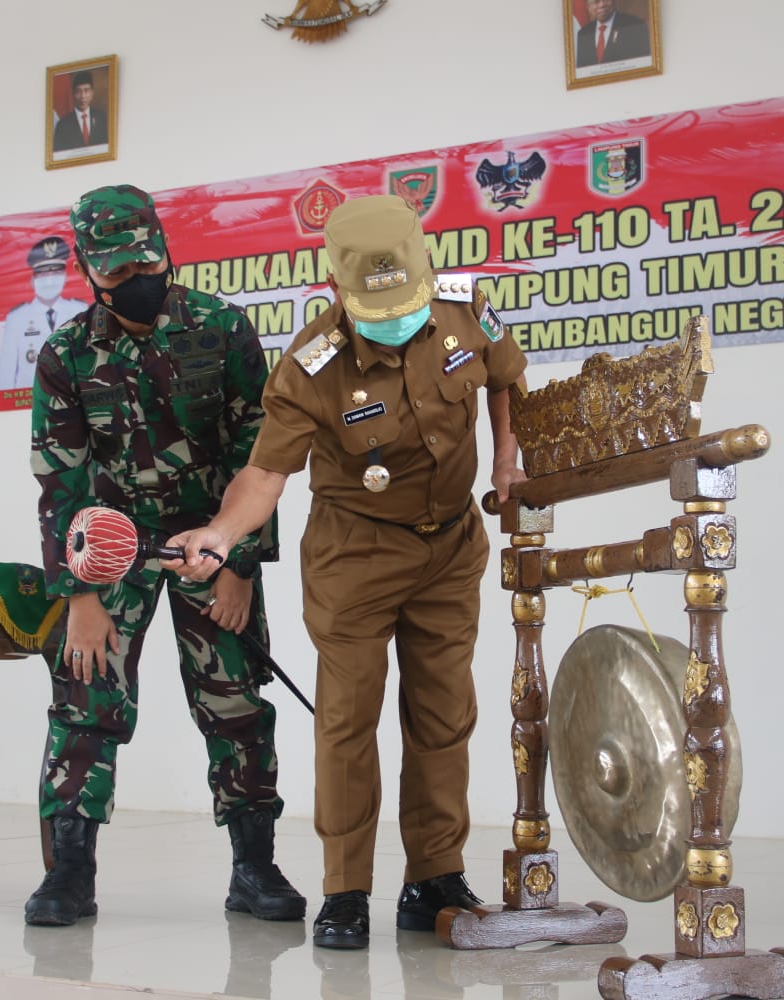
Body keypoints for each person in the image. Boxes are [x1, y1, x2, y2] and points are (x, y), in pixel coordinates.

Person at [166, 195, 529, 950]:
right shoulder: (313, 364)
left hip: (450, 548)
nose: (397, 320)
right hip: (355, 556)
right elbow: (266, 474)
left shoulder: (465, 309)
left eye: (406, 303)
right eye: (377, 310)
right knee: (347, 722)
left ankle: (434, 877)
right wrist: (220, 535)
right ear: (336, 289)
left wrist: (506, 460)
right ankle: (346, 889)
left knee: (444, 715)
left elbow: (505, 379)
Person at [24, 183, 305, 928]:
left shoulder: (221, 327)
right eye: (116, 272)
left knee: (236, 702)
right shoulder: (65, 354)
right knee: (85, 701)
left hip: (211, 542)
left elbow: (258, 452)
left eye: (146, 263)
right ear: (88, 269)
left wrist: (241, 563)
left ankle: (254, 867)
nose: (136, 281)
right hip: (110, 550)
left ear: (165, 249)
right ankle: (70, 872)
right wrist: (81, 596)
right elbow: (62, 483)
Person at [0, 236, 87, 391]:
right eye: (43, 273)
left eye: (56, 272)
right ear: (33, 279)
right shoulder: (17, 318)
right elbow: (6, 374)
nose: (50, 280)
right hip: (31, 400)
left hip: (76, 396)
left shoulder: (80, 310)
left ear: (65, 277)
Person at [575, 0, 651, 68]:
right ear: (588, 6)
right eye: (596, 1)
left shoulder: (635, 26)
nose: (602, 4)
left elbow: (643, 65)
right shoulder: (583, 34)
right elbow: (582, 70)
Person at [52, 70, 107, 152]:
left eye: (86, 90)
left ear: (92, 92)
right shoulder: (62, 125)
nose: (83, 96)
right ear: (73, 94)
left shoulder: (101, 118)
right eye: (78, 91)